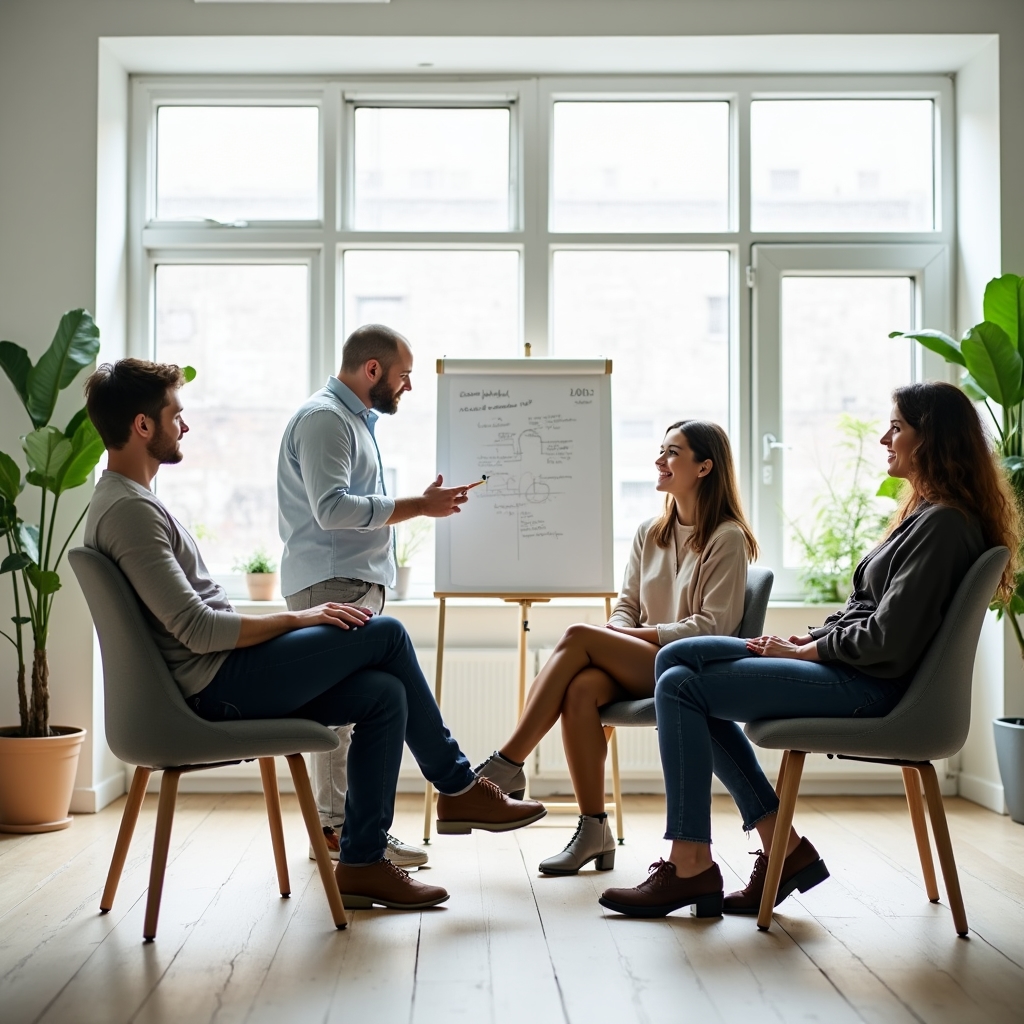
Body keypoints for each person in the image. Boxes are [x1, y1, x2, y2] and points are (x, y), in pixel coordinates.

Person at [82, 358, 546, 912]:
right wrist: (298, 619)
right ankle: (458, 786)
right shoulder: (130, 512)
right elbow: (199, 629)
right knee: (386, 634)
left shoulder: (129, 501)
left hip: (219, 675)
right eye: (175, 414)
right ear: (142, 426)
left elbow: (193, 622)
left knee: (384, 695)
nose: (185, 425)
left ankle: (362, 863)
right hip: (212, 687)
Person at [600, 382, 1019, 919]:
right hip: (854, 670)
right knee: (675, 659)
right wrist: (810, 640)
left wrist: (806, 656)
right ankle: (777, 849)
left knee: (680, 683)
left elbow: (888, 638)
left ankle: (692, 863)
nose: (884, 438)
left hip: (871, 686)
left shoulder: (943, 524)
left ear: (930, 438)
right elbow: (872, 614)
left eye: (896, 427)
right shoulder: (928, 516)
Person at [477, 421, 757, 874]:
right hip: (645, 662)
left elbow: (712, 627)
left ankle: (505, 765)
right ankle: (594, 830)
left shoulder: (727, 537)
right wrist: (619, 633)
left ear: (704, 467)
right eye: (661, 450)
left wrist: (621, 637)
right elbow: (626, 607)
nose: (659, 460)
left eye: (672, 452)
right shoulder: (650, 532)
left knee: (578, 635)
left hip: (688, 671)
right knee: (581, 688)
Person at [278, 324, 473, 868]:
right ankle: (339, 832)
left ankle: (355, 834)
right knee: (340, 719)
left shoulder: (352, 422)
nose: (408, 386)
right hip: (332, 584)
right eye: (404, 375)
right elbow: (332, 509)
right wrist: (419, 506)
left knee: (363, 707)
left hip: (348, 582)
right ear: (372, 370)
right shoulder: (326, 420)